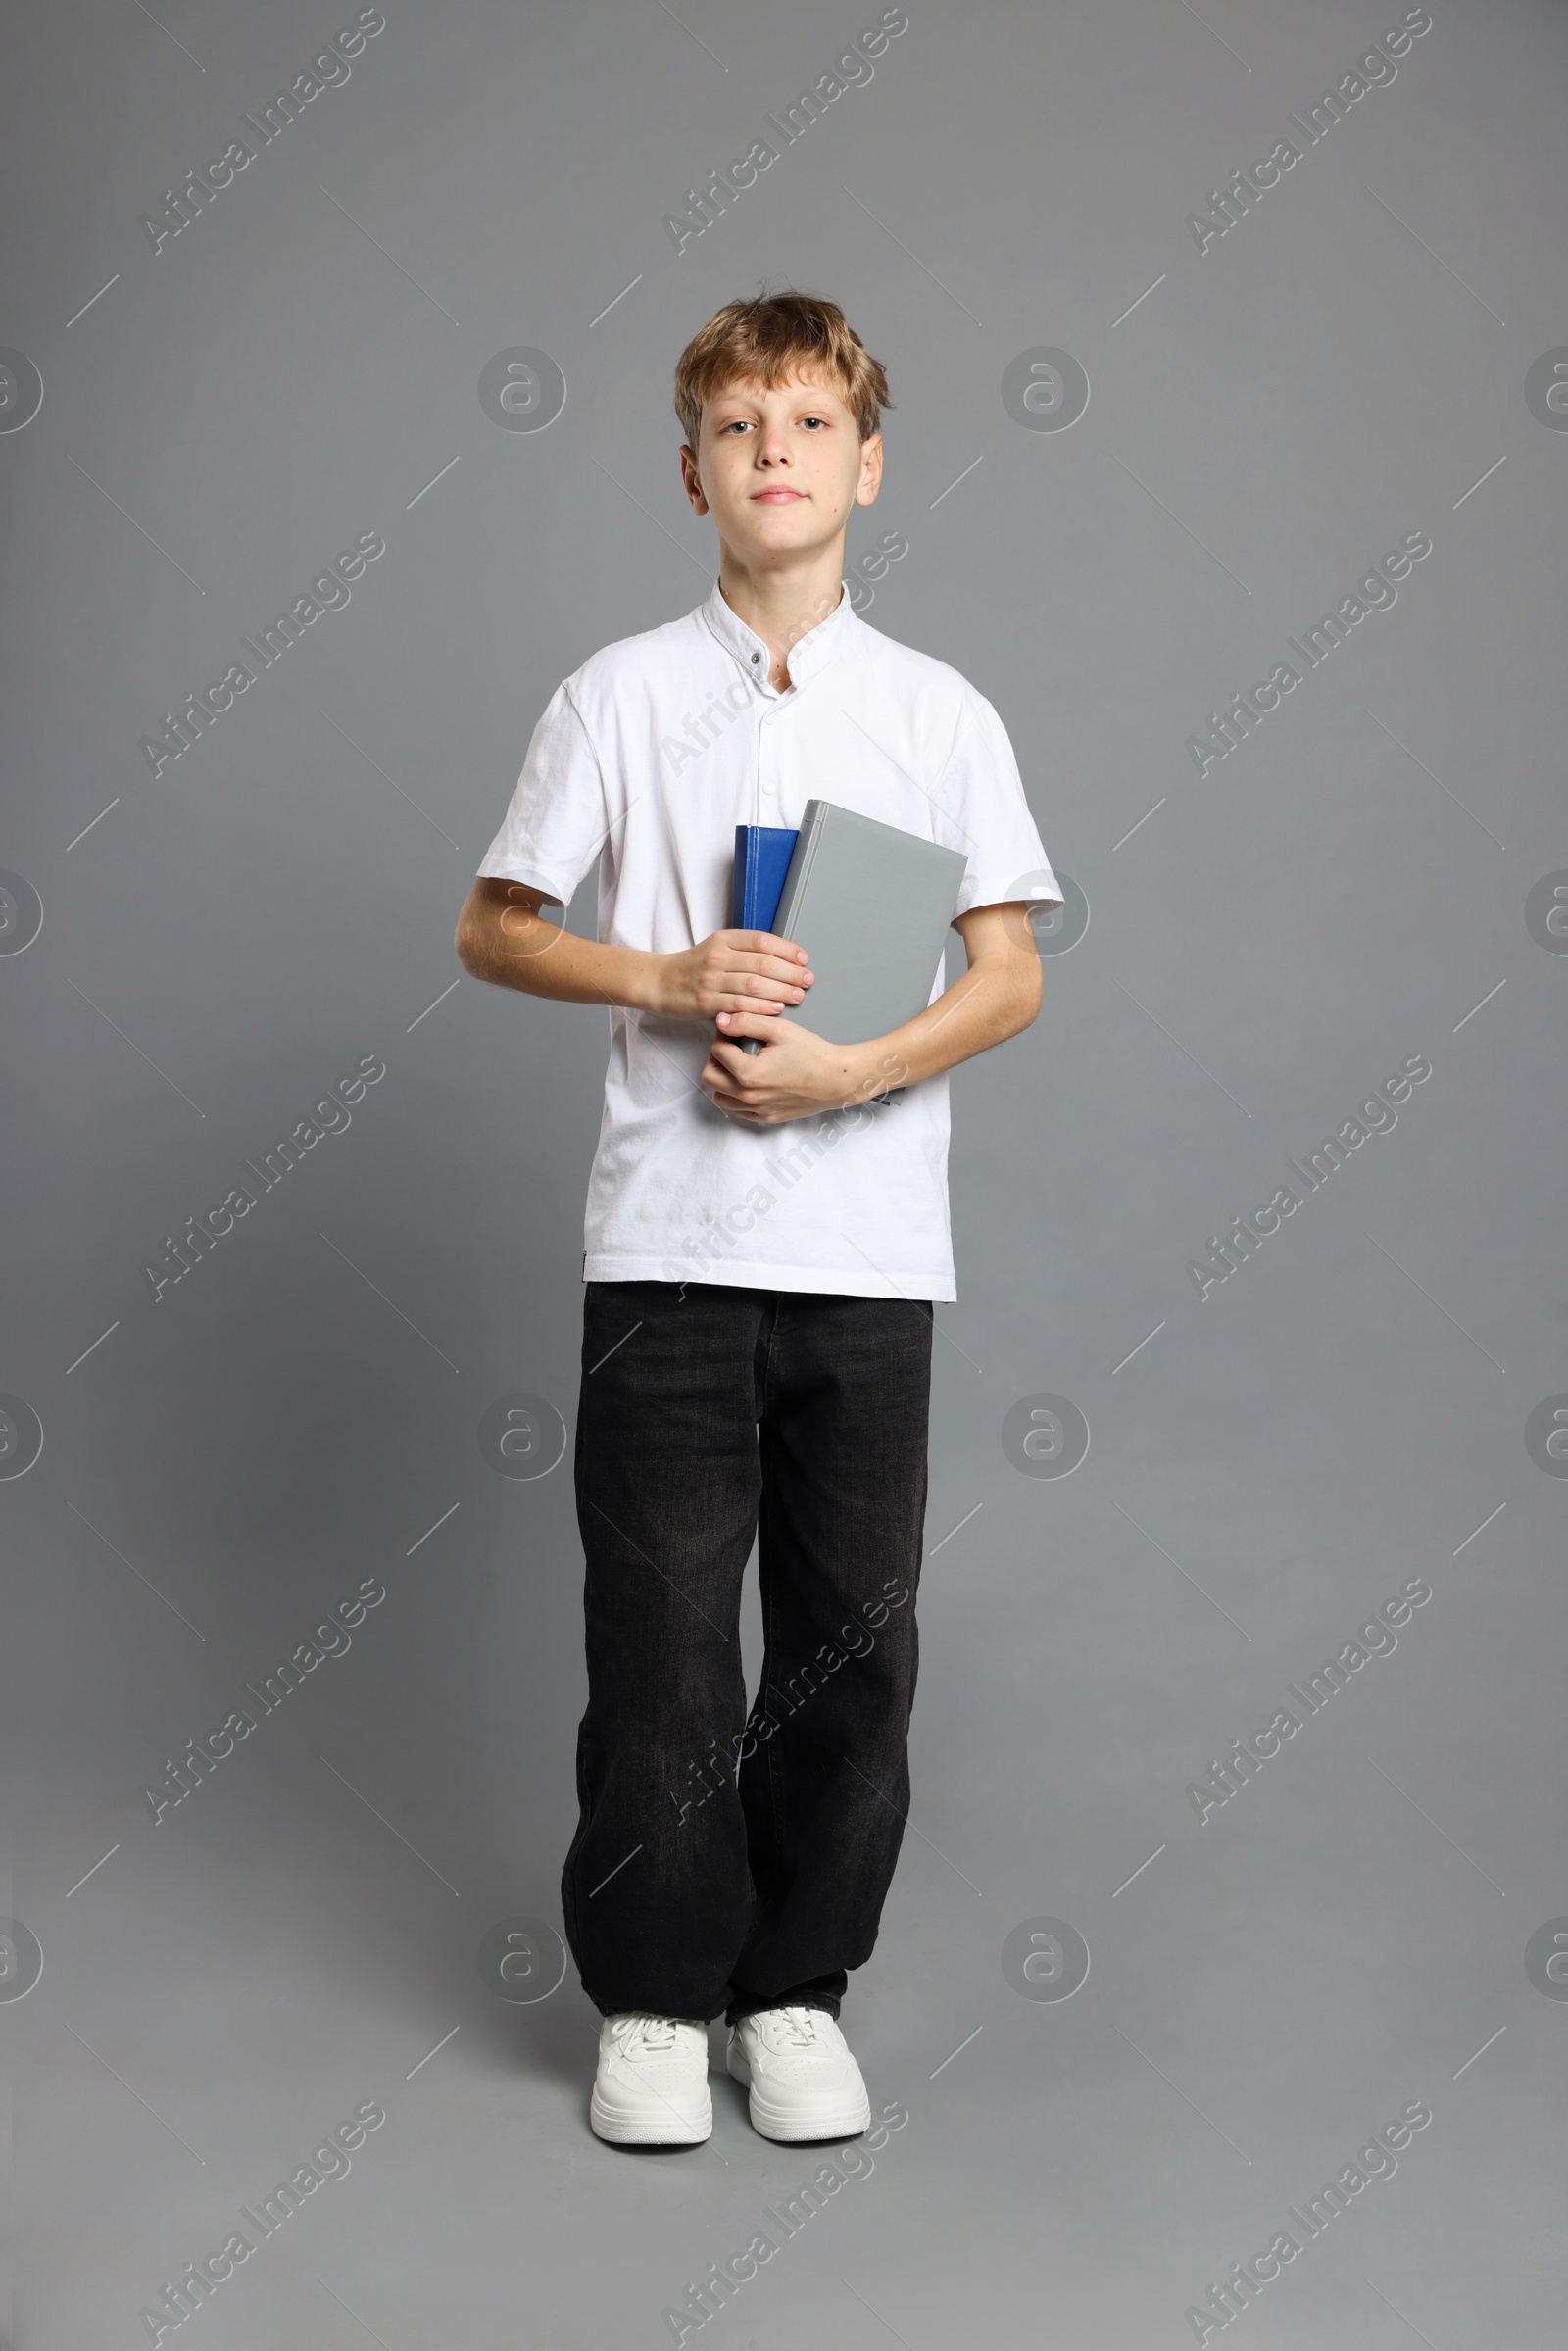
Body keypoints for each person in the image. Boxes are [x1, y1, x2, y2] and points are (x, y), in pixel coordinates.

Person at [454, 289, 1060, 2147]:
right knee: (655, 1633)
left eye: (808, 423)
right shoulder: (618, 692)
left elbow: (1011, 974)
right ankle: (655, 1996)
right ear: (695, 470)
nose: (775, 451)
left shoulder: (940, 712)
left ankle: (793, 1989)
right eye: (738, 426)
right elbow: (495, 925)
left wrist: (849, 1072)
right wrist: (668, 975)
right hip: (666, 1254)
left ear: (868, 464)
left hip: (871, 1258)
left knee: (851, 1636)